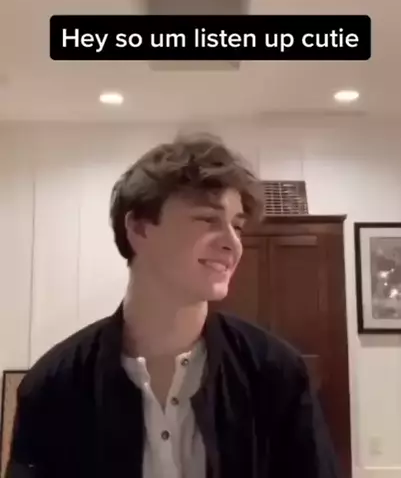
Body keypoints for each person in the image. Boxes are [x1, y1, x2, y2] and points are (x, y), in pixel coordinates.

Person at [6, 133, 340, 478]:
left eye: (238, 226)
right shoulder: (55, 384)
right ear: (140, 229)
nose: (233, 243)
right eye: (208, 219)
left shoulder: (276, 373)